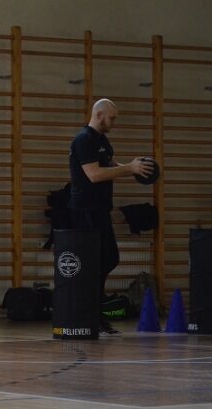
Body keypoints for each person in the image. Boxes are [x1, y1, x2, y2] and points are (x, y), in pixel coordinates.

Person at [68, 98, 154, 336]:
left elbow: (109, 164)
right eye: (112, 118)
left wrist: (132, 167)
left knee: (108, 259)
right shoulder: (84, 139)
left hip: (100, 210)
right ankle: (89, 316)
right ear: (99, 115)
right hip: (85, 211)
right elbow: (94, 174)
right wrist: (129, 169)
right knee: (94, 264)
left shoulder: (101, 140)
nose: (114, 122)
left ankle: (95, 315)